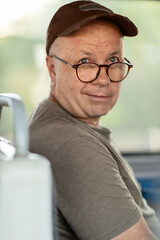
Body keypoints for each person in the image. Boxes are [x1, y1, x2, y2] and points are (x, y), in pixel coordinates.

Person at [28, 1, 160, 239]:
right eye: (85, 62)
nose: (103, 80)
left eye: (112, 61)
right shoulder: (72, 144)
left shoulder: (62, 123)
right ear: (52, 69)